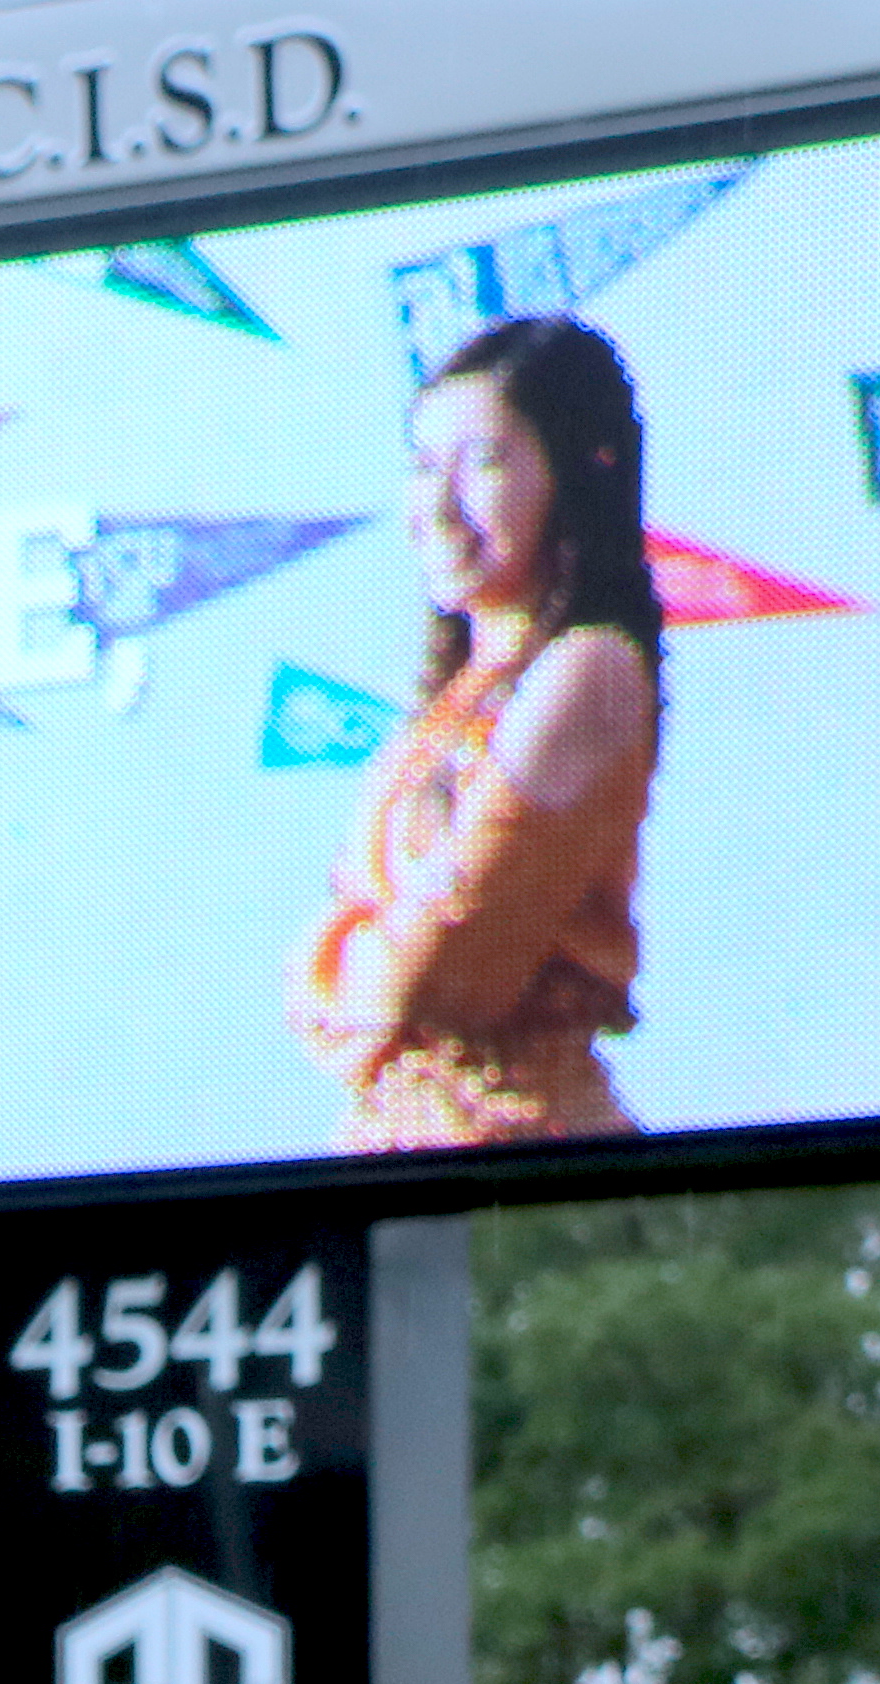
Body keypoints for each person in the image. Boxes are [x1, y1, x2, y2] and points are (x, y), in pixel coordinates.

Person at [296, 312, 665, 1149]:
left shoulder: (587, 669)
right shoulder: (448, 706)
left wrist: (355, 971)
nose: (438, 505)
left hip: (520, 1147)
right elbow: (333, 968)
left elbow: (446, 974)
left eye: (485, 462)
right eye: (423, 465)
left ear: (575, 475)